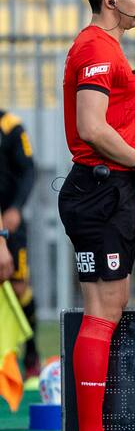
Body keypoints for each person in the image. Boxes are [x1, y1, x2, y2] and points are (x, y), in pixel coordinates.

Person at [58, 0, 135, 431]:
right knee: (101, 310)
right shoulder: (97, 47)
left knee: (113, 303)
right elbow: (91, 127)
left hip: (108, 190)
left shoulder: (104, 46)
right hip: (98, 191)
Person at [0, 108, 39, 381]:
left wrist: (15, 208)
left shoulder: (10, 126)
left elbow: (28, 170)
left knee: (18, 285)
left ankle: (31, 354)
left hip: (10, 222)